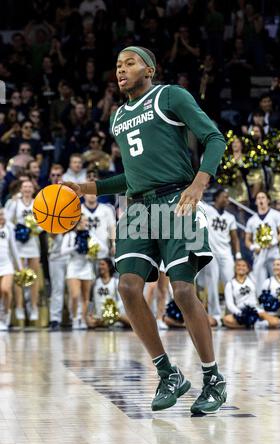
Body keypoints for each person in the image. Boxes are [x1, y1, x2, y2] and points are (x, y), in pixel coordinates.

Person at [63, 46, 227, 414]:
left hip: (177, 202)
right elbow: (134, 176)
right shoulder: (118, 117)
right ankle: (168, 373)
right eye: (117, 65)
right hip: (137, 208)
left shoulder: (170, 95)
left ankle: (212, 378)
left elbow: (215, 138)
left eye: (130, 63)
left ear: (149, 69)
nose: (121, 70)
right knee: (127, 286)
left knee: (183, 291)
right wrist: (88, 188)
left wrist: (200, 183)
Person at [202, 189, 241, 326]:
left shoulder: (230, 217)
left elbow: (235, 238)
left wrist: (238, 255)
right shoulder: (207, 210)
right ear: (217, 198)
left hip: (226, 253)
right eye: (224, 197)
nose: (227, 199)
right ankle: (215, 315)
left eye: (228, 197)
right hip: (211, 252)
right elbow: (197, 200)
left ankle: (231, 313)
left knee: (229, 283)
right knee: (211, 283)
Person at [4, 180, 41, 321]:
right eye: (24, 186)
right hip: (18, 243)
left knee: (34, 276)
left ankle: (33, 306)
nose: (27, 189)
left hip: (33, 241)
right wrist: (19, 231)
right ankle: (19, 306)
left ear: (33, 189)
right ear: (20, 189)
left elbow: (44, 222)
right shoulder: (15, 202)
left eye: (29, 187)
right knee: (19, 277)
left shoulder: (38, 202)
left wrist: (34, 230)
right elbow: (7, 220)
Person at [245, 191, 280, 295]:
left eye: (263, 197)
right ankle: (262, 305)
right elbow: (247, 240)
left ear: (268, 200)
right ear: (255, 202)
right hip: (259, 254)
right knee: (259, 281)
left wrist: (272, 242)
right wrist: (253, 247)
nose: (260, 200)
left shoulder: (276, 214)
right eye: (258, 198)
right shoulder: (252, 220)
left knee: (277, 278)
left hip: (274, 252)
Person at [60, 215, 96, 329]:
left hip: (86, 267)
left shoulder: (90, 235)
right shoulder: (70, 235)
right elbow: (62, 251)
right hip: (73, 267)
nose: (84, 223)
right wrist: (76, 247)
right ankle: (75, 318)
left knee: (86, 297)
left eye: (85, 221)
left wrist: (92, 251)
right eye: (81, 221)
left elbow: (101, 248)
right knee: (75, 295)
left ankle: (83, 319)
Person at [223, 259, 275, 329]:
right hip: (241, 311)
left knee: (275, 322)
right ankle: (256, 325)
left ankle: (251, 324)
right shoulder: (230, 284)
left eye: (244, 266)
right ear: (235, 268)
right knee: (226, 320)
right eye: (238, 265)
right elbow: (230, 304)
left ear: (247, 269)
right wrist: (240, 314)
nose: (241, 267)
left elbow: (259, 264)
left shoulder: (253, 279)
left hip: (255, 309)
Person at [0, 208, 22, 330]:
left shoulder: (8, 228)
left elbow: (14, 249)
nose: (1, 216)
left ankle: (6, 317)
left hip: (6, 265)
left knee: (6, 290)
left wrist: (20, 267)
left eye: (2, 214)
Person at [92, 258, 130, 327]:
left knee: (129, 321)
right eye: (99, 265)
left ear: (109, 266)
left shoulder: (116, 282)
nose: (100, 267)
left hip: (114, 313)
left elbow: (121, 301)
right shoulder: (96, 282)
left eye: (103, 264)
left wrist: (112, 311)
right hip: (100, 314)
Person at [81, 194, 116, 259]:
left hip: (104, 251)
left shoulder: (106, 209)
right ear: (84, 194)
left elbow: (112, 228)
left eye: (94, 192)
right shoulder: (79, 210)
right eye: (89, 192)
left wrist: (113, 244)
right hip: (83, 253)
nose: (92, 195)